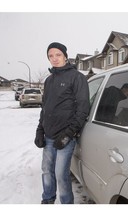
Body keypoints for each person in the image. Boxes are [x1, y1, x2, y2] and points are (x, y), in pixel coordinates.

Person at [34, 42, 90, 204]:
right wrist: (40, 131)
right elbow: (45, 109)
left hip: (66, 135)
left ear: (65, 56)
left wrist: (68, 134)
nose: (54, 59)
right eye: (50, 56)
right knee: (46, 171)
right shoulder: (49, 81)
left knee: (60, 174)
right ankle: (48, 199)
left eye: (58, 55)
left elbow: (82, 109)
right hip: (49, 136)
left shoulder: (77, 77)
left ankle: (66, 204)